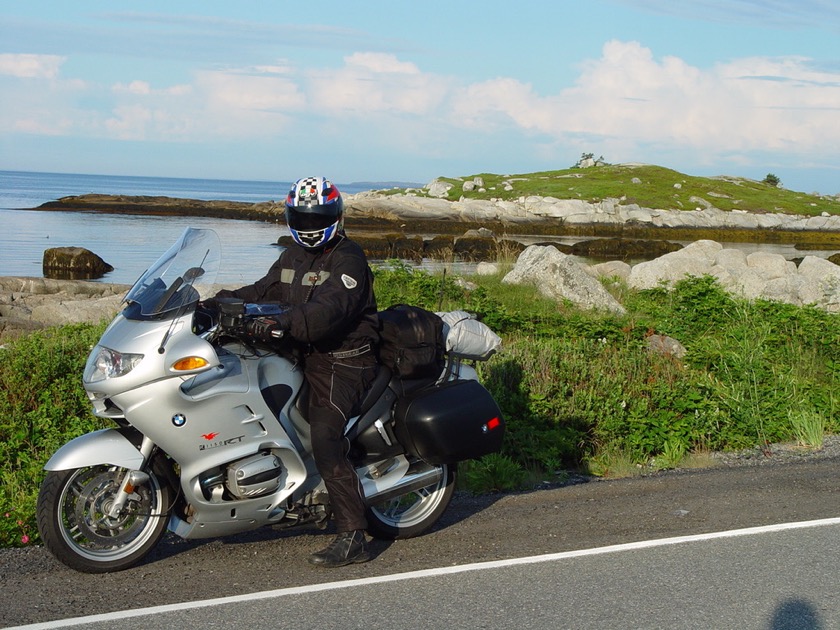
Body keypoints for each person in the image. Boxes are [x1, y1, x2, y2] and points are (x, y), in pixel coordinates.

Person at [213, 176, 379, 567]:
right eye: (301, 218)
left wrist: (283, 324)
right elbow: (262, 290)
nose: (308, 226)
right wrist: (212, 304)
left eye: (316, 217)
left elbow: (329, 309)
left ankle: (353, 534)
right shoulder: (292, 255)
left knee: (325, 435)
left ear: (335, 217)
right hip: (300, 350)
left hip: (343, 358)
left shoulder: (348, 258)